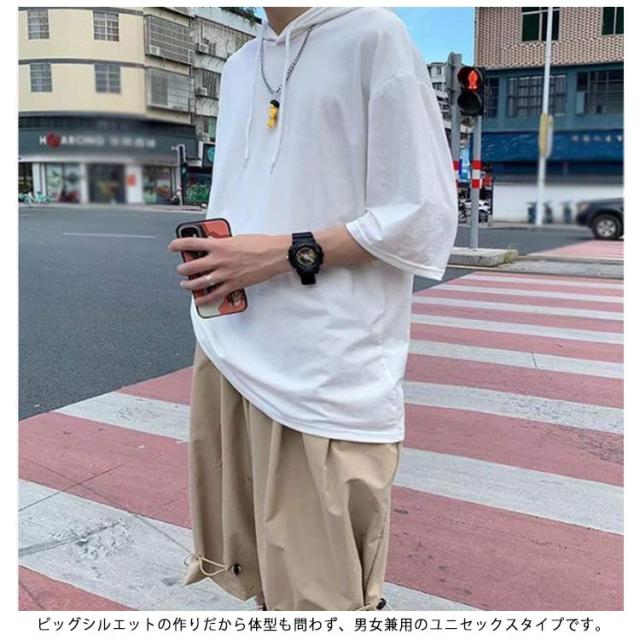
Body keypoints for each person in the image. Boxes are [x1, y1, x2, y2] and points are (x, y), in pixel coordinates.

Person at [168, 6, 457, 611]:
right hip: (226, 349)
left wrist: (280, 253)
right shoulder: (239, 66)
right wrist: (220, 260)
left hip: (326, 373)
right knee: (263, 582)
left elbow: (421, 215)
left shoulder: (374, 35)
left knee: (325, 601)